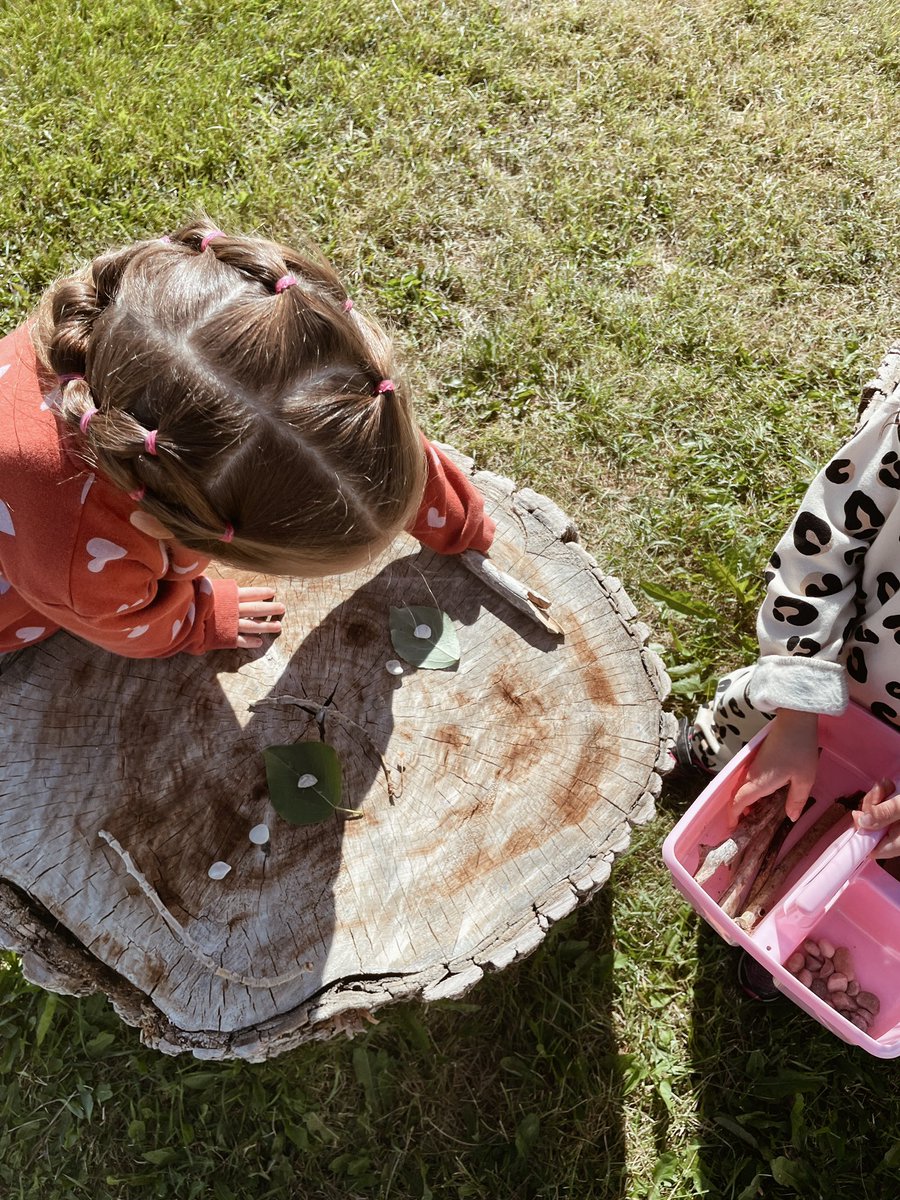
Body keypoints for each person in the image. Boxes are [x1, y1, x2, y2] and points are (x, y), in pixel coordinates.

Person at [0, 221, 495, 659]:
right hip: (23, 575)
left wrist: (452, 514)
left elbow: (346, 437)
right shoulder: (79, 563)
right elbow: (129, 626)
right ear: (160, 524)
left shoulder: (161, 312)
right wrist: (197, 617)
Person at [675, 346, 900, 853]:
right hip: (827, 667)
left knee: (846, 827)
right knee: (745, 725)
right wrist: (799, 711)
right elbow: (822, 547)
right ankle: (702, 749)